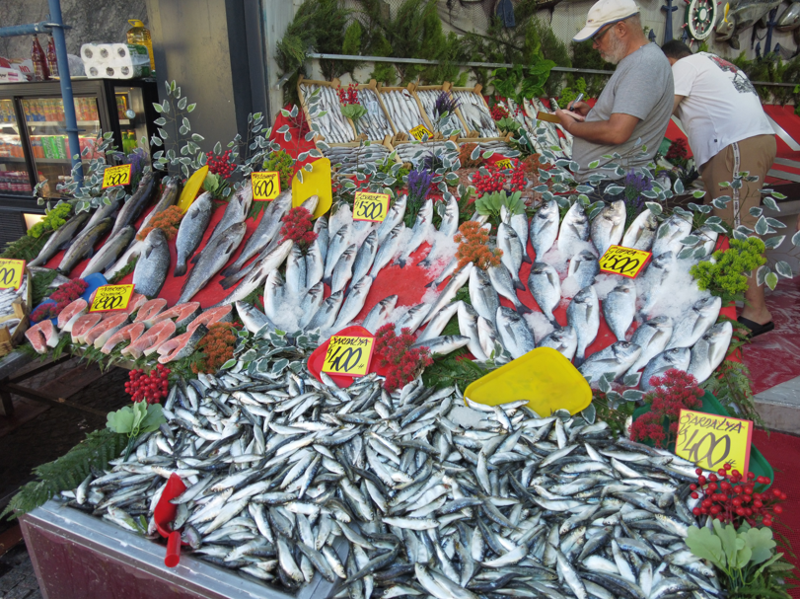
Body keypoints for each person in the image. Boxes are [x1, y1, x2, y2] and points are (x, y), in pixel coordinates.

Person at [661, 40, 777, 338]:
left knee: (740, 228)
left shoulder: (684, 66)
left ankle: (757, 312)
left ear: (670, 60)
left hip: (735, 145)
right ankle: (726, 301)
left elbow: (663, 112)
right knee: (725, 223)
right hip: (747, 142)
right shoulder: (713, 62)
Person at [556, 0, 674, 183]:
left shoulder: (643, 65)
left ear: (620, 29)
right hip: (608, 181)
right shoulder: (639, 60)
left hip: (611, 185)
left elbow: (617, 132)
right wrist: (593, 114)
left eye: (598, 37)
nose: (595, 45)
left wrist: (572, 126)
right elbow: (626, 119)